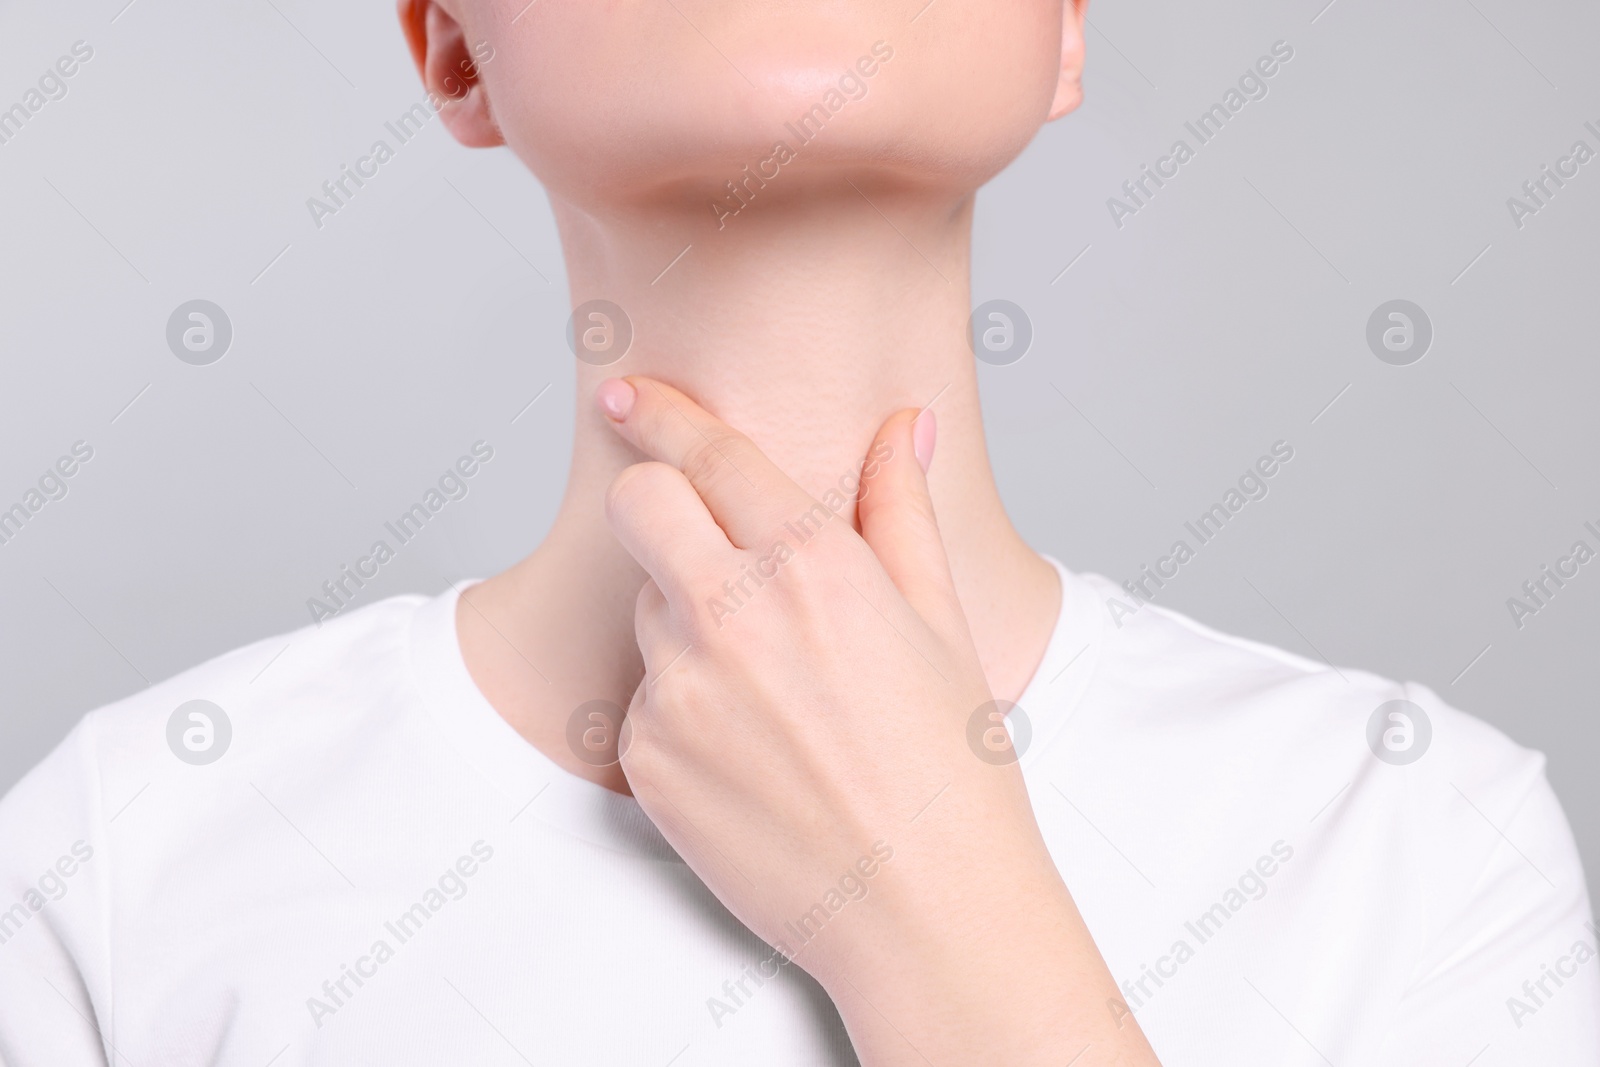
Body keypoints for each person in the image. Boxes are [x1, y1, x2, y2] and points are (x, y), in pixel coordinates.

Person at [1, 1, 1595, 1063]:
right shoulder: (124, 858)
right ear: (453, 51)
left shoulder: (1414, 839)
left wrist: (937, 914)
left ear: (1061, 32)